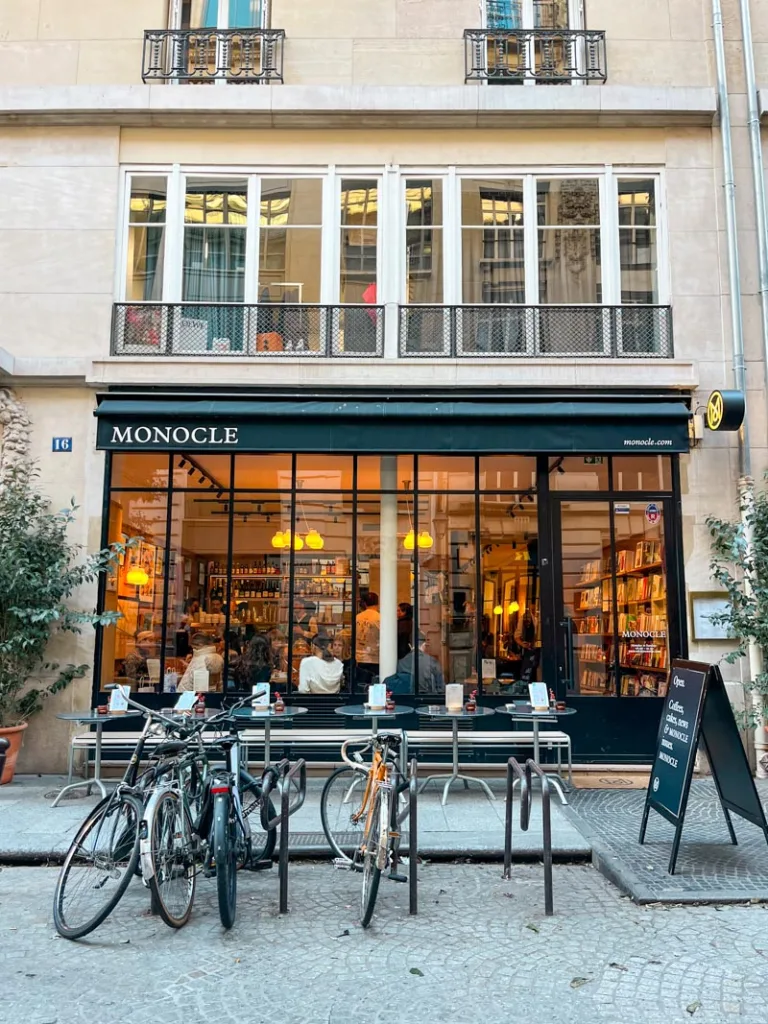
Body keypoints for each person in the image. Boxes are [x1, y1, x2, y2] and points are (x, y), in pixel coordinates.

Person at [355, 592, 380, 689]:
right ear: (377, 603)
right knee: (375, 685)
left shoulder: (357, 617)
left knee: (361, 686)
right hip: (375, 657)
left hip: (359, 656)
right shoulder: (380, 618)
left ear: (364, 603)